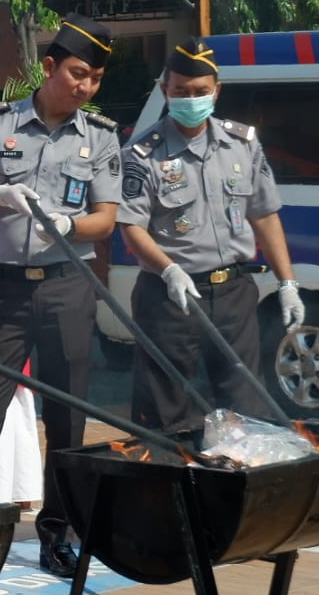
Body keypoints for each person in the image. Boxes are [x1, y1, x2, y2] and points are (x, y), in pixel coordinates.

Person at [0, 14, 122, 578]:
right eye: (76, 74)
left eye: (93, 79)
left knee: (67, 419)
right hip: (7, 292)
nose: (84, 87)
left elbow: (107, 220)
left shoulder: (100, 136)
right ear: (48, 67)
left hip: (69, 289)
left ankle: (57, 534)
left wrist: (70, 228)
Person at [119, 36, 304, 433]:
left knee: (245, 406)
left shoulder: (243, 145)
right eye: (181, 91)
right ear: (165, 89)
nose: (191, 99)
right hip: (170, 298)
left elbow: (265, 216)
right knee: (168, 410)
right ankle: (172, 484)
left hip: (234, 294)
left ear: (217, 91)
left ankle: (238, 486)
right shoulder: (142, 154)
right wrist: (168, 270)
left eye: (200, 91)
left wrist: (287, 282)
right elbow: (131, 228)